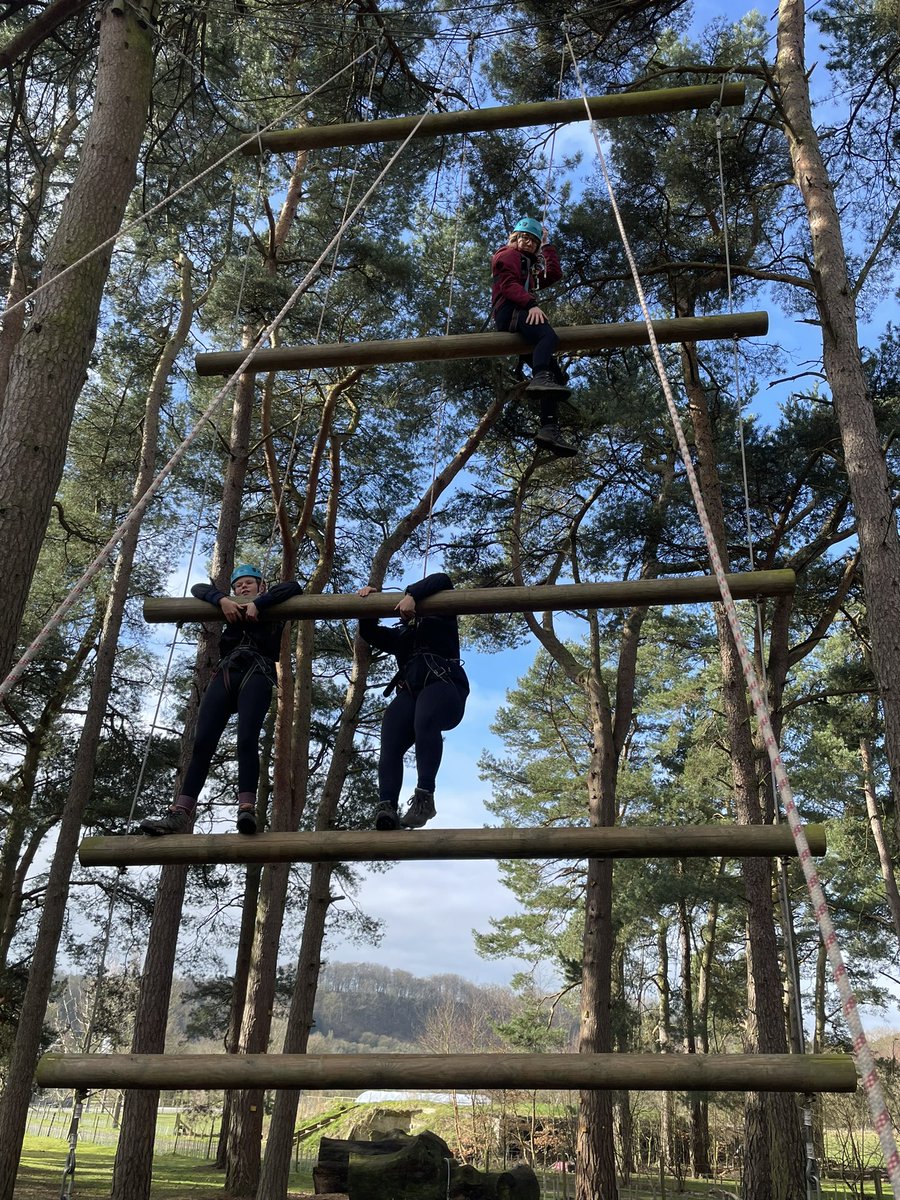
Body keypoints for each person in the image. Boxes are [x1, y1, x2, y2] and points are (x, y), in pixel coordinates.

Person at [140, 563, 302, 837]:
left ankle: (246, 809)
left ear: (261, 585)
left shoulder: (273, 601)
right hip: (226, 673)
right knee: (202, 743)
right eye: (238, 585)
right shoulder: (229, 604)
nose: (242, 588)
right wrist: (223, 600)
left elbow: (293, 586)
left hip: (257, 671)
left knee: (247, 740)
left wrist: (259, 604)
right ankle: (180, 813)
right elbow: (198, 589)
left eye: (248, 583)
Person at [357, 572, 469, 830]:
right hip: (411, 691)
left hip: (445, 684)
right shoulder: (401, 638)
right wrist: (367, 603)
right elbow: (369, 632)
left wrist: (412, 595)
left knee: (425, 716)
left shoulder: (442, 618)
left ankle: (424, 798)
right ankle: (386, 806)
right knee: (390, 737)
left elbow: (442, 579)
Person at [490, 216, 577, 457]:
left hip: (519, 309)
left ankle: (548, 428)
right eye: (524, 238)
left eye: (533, 241)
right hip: (511, 311)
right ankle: (539, 376)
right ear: (514, 239)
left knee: (556, 377)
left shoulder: (528, 268)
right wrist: (531, 304)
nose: (528, 243)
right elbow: (507, 284)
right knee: (547, 336)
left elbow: (554, 275)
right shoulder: (507, 255)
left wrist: (547, 246)